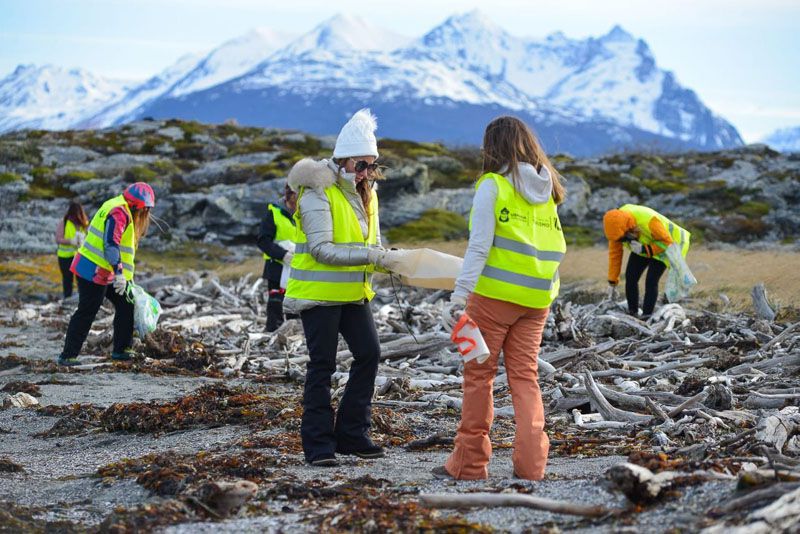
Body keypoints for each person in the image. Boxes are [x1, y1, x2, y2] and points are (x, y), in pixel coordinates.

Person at [436, 116, 566, 481]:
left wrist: (458, 296)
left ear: (492, 147)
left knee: (479, 375)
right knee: (525, 378)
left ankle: (469, 464)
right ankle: (531, 466)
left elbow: (478, 247)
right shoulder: (548, 190)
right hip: (537, 300)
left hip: (491, 299)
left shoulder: (492, 185)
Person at [284, 109, 406, 467]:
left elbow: (374, 241)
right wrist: (373, 255)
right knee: (322, 366)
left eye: (371, 165)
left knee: (369, 353)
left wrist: (385, 258)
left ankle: (352, 434)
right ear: (341, 160)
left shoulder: (369, 194)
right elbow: (322, 249)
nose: (366, 172)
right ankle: (318, 444)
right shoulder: (316, 191)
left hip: (354, 293)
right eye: (361, 164)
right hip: (319, 295)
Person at [56, 182, 155, 366]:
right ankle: (68, 356)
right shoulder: (119, 212)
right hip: (91, 269)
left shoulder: (120, 206)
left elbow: (123, 250)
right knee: (88, 309)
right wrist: (119, 273)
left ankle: (122, 349)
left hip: (106, 270)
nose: (146, 214)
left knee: (126, 302)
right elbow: (111, 245)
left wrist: (127, 279)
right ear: (137, 206)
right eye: (145, 209)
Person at [603, 204, 691, 319]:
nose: (623, 241)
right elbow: (615, 255)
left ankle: (646, 316)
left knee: (651, 280)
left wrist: (645, 249)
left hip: (669, 245)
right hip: (644, 243)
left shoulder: (650, 221)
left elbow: (667, 242)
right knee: (631, 277)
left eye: (624, 238)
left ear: (628, 227)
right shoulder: (615, 230)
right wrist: (612, 281)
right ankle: (633, 312)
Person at [256, 184, 298, 332]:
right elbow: (263, 240)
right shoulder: (274, 213)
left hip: (298, 265)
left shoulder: (306, 214)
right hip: (276, 265)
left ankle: (295, 332)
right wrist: (283, 255)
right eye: (296, 196)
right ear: (289, 195)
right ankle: (273, 332)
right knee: (276, 303)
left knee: (297, 301)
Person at [55, 200, 89, 299]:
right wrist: (70, 241)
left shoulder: (84, 223)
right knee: (67, 280)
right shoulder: (64, 222)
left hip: (80, 256)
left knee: (82, 280)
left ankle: (82, 299)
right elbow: (58, 239)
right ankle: (67, 299)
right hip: (65, 257)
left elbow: (90, 238)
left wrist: (83, 241)